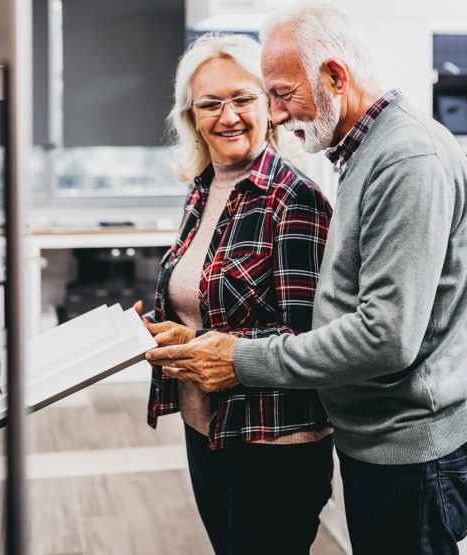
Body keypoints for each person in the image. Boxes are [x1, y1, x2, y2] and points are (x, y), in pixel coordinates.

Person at [148, 2, 467, 555]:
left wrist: (236, 358)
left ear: (334, 75)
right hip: (379, 439)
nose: (275, 114)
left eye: (277, 94)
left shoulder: (405, 159)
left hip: (411, 446)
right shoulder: (360, 155)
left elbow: (385, 336)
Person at [134, 32, 334, 555]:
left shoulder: (294, 199)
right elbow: (200, 303)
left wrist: (206, 341)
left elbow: (308, 337)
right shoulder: (202, 189)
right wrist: (165, 332)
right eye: (210, 104)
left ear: (270, 106)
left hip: (272, 443)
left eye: (243, 98)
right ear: (191, 117)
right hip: (208, 429)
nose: (228, 116)